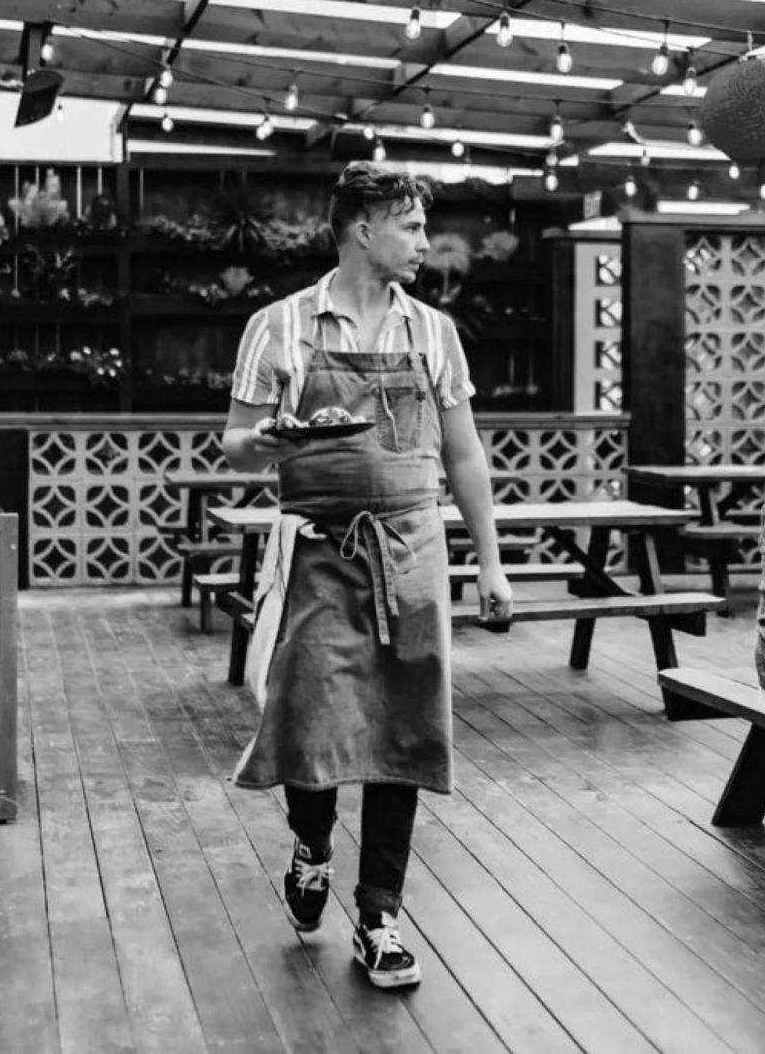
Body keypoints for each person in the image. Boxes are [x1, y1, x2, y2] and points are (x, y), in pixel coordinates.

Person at [222, 161, 513, 989]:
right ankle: (312, 842)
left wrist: (488, 563)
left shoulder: (433, 333)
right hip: (318, 548)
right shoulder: (278, 326)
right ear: (363, 228)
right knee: (309, 721)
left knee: (405, 734)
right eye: (412, 226)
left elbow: (463, 452)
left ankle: (379, 915)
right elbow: (234, 441)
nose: (425, 241)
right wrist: (269, 443)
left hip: (413, 550)